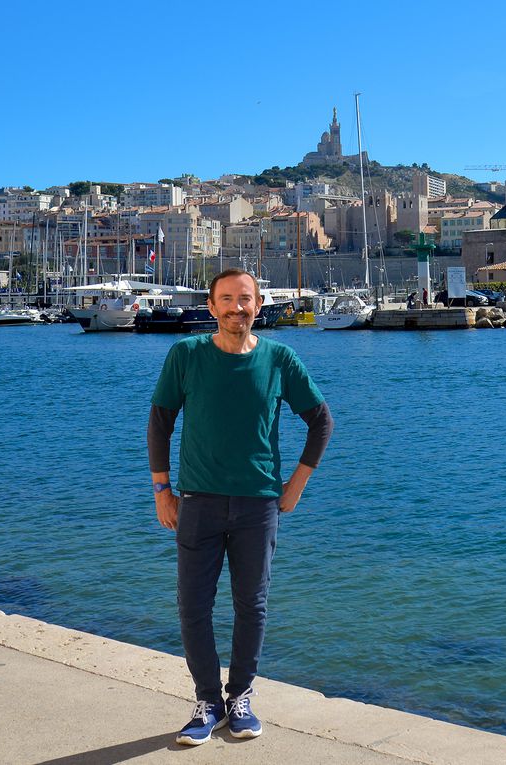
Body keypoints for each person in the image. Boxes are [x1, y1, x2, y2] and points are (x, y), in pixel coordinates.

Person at [148, 268, 333, 747]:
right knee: (193, 606)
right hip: (197, 502)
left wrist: (295, 486)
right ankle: (208, 701)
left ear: (257, 304)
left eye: (245, 299)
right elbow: (160, 422)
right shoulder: (186, 355)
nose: (237, 308)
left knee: (251, 606)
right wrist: (161, 489)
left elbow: (321, 422)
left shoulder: (279, 359)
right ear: (211, 307)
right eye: (226, 299)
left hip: (259, 505)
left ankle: (241, 696)